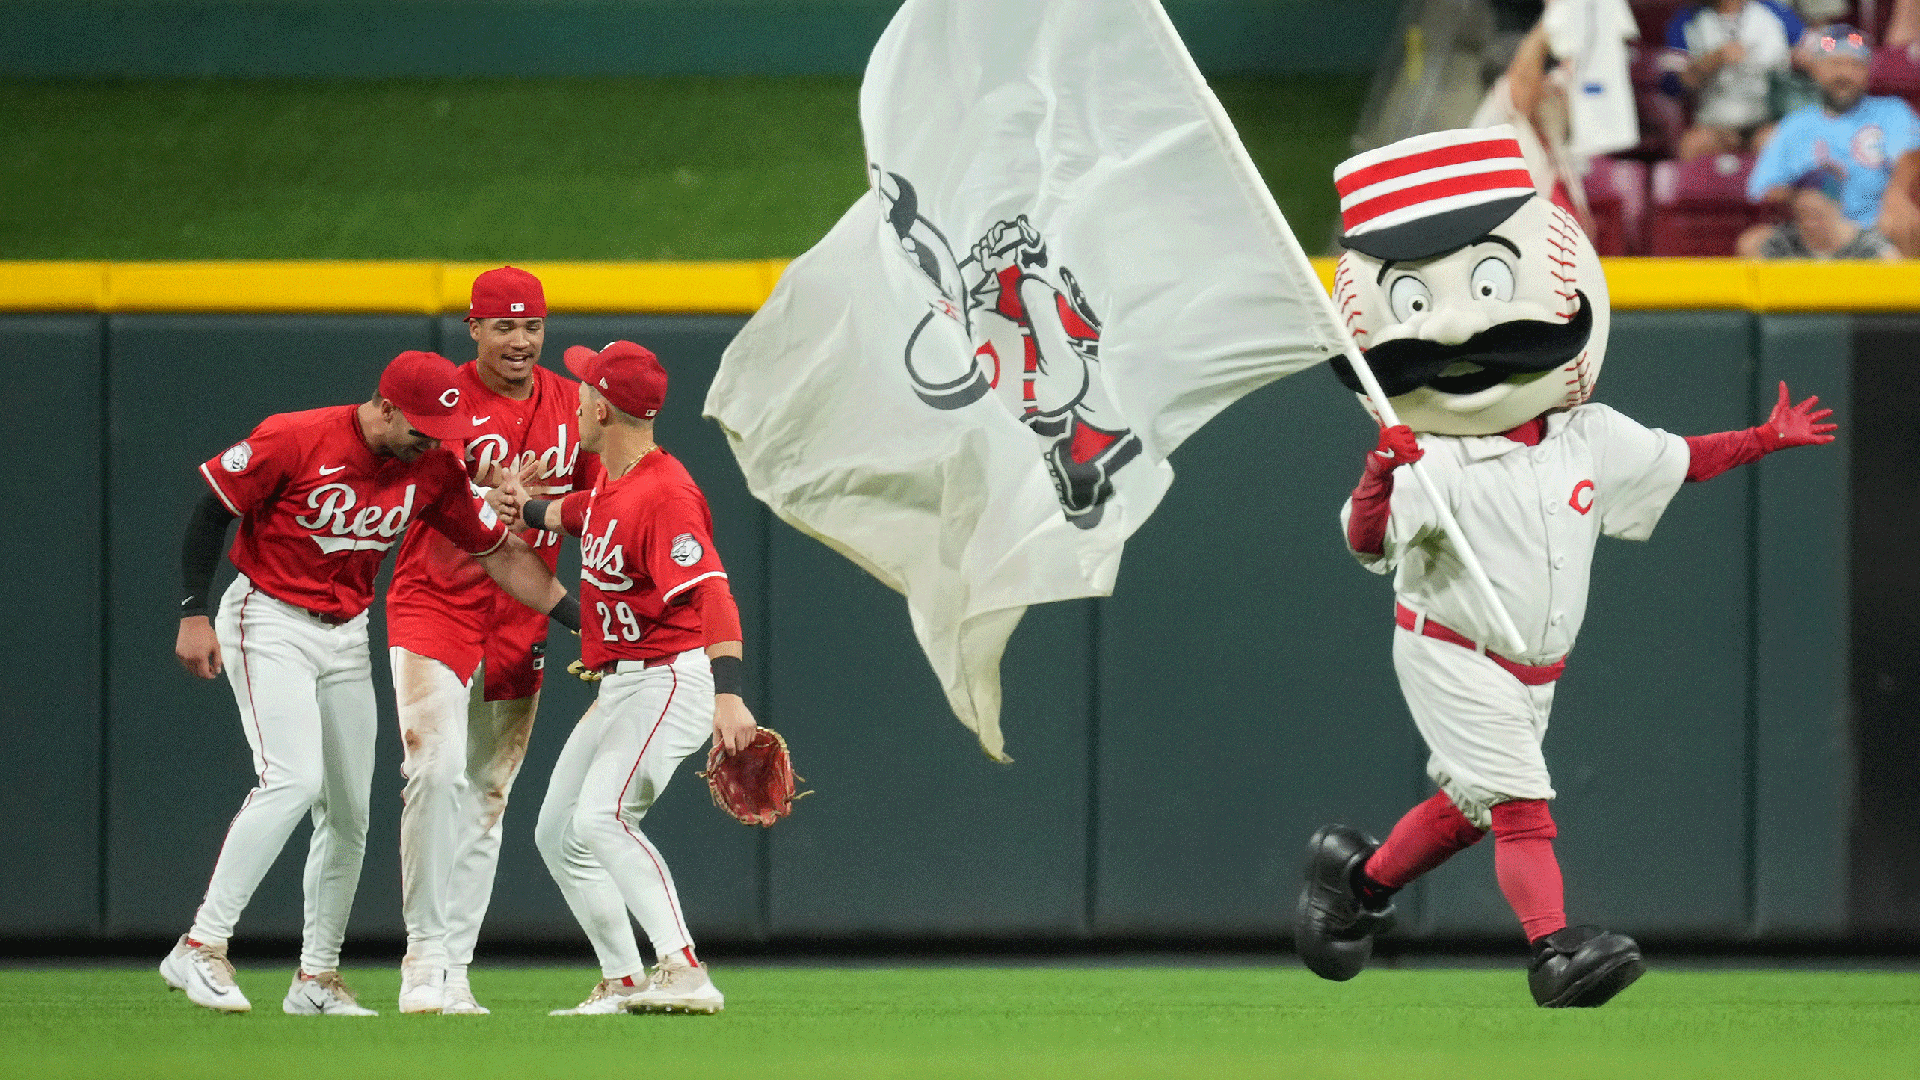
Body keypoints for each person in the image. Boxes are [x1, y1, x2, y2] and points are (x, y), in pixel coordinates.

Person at [1305, 126, 1837, 1007]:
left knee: (1470, 809)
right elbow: (1366, 545)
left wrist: (1764, 439)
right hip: (1451, 648)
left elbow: (1677, 457)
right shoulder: (1428, 458)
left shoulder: (1583, 432)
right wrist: (1377, 470)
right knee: (1520, 805)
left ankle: (1355, 887)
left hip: (1533, 668)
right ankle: (1553, 952)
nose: (1468, 325)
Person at [165, 350, 581, 1016]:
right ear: (384, 406)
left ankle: (317, 979)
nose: (431, 443)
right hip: (267, 616)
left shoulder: (432, 465)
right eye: (420, 427)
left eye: (440, 433)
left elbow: (498, 552)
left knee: (350, 815)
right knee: (292, 780)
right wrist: (192, 611)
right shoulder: (295, 436)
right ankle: (201, 945)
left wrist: (579, 621)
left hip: (345, 631)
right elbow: (213, 508)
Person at [518, 340, 756, 1016]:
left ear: (602, 407)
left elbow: (712, 593)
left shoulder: (666, 492)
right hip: (622, 684)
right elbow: (579, 514)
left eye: (583, 387)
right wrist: (523, 506)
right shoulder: (612, 482)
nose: (575, 396)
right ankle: (624, 980)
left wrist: (729, 695)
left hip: (670, 679)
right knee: (557, 831)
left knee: (604, 816)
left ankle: (683, 968)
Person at [386, 267, 597, 1015]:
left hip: (522, 611)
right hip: (436, 599)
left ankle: (456, 971)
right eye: (503, 326)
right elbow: (397, 472)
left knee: (488, 793)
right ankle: (422, 955)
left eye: (532, 326)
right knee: (435, 770)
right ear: (472, 328)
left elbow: (600, 500)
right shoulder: (441, 395)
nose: (519, 340)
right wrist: (481, 492)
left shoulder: (573, 406)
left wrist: (544, 504)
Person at [1739, 25, 1920, 258]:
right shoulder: (1795, 125)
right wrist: (1811, 185)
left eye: (1854, 65)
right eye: (1835, 64)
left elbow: (1910, 155)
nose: (1844, 74)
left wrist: (1896, 195)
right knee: (1753, 242)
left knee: (1905, 223)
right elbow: (1761, 190)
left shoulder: (1891, 111)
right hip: (1810, 234)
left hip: (1871, 229)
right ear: (1816, 70)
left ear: (1867, 72)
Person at [1660, 0, 1804, 161]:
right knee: (1691, 144)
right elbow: (1669, 85)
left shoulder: (1775, 11)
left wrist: (1811, 55)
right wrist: (1710, 61)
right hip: (1715, 123)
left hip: (1766, 120)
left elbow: (1826, 42)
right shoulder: (1686, 19)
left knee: (1774, 142)